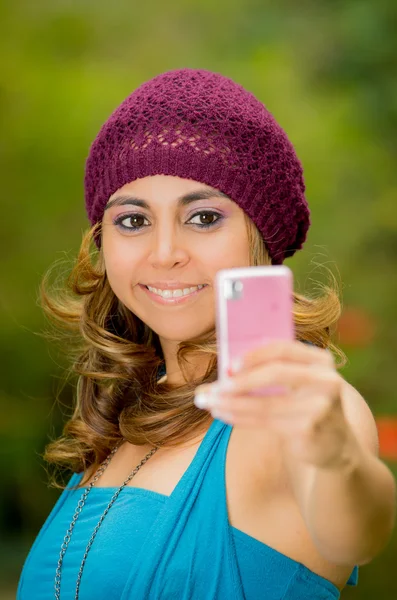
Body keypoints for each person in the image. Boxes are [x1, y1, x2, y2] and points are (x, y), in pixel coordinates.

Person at [17, 68, 395, 600]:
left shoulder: (290, 408)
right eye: (132, 221)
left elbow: (357, 531)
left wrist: (335, 455)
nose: (165, 251)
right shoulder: (122, 422)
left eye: (203, 218)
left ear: (260, 238)